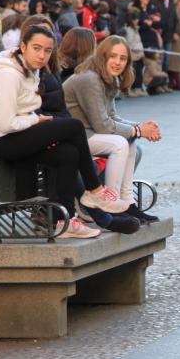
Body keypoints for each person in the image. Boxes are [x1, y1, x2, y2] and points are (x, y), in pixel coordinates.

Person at [0, 24, 128, 239]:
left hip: (21, 135)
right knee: (74, 126)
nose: (42, 55)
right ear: (23, 46)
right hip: (1, 141)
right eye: (36, 48)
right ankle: (95, 191)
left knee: (68, 153)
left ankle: (64, 221)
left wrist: (44, 132)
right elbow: (6, 124)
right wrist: (37, 122)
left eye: (48, 51)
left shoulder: (32, 69)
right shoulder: (8, 75)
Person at [63, 35, 161, 224]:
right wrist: (139, 130)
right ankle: (111, 203)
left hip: (87, 134)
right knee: (119, 144)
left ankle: (127, 203)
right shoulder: (89, 78)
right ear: (102, 56)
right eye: (113, 56)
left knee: (130, 143)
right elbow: (102, 125)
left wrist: (141, 127)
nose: (118, 62)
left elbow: (113, 118)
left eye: (123, 58)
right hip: (71, 138)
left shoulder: (107, 78)